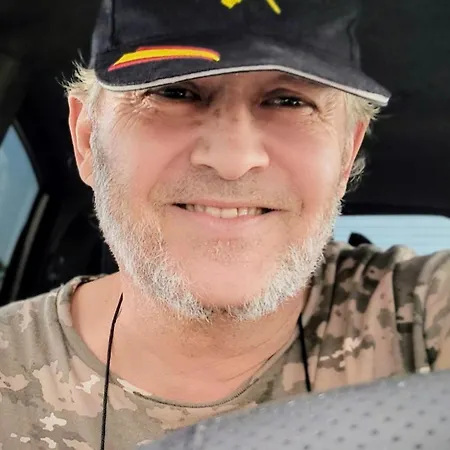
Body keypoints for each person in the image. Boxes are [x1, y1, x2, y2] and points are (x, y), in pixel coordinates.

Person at [1, 0, 449, 449]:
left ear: (346, 154)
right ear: (86, 139)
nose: (233, 161)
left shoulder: (418, 317)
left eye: (289, 101)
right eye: (174, 92)